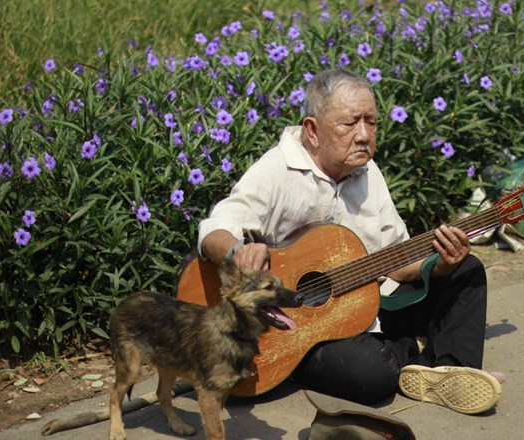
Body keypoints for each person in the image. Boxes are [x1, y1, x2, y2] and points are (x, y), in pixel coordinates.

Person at [198, 69, 503, 414]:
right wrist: (238, 252)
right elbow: (215, 228)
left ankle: (450, 370)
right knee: (371, 376)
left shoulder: (367, 171)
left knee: (467, 270)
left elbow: (394, 260)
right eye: (349, 123)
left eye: (371, 122)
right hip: (299, 328)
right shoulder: (277, 170)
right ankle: (411, 353)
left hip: (366, 301)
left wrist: (443, 263)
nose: (363, 135)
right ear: (312, 130)